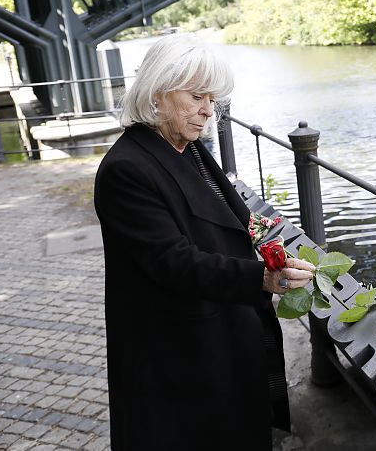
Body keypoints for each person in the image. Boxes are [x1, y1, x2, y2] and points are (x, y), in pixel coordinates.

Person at [94, 34, 315, 450]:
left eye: (212, 100)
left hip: (217, 340)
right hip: (179, 357)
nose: (208, 111)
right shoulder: (127, 169)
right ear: (158, 93)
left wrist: (265, 237)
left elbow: (227, 219)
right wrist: (264, 279)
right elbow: (173, 261)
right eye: (197, 96)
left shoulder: (184, 147)